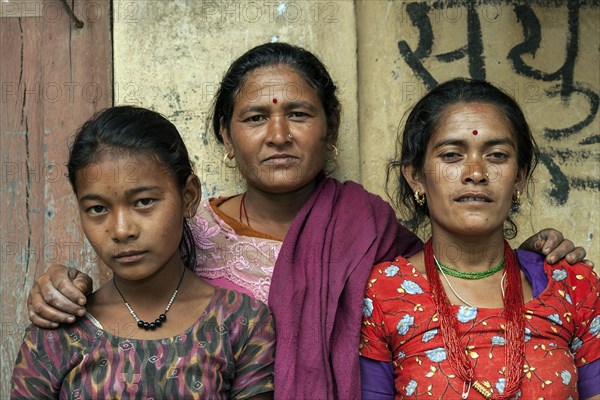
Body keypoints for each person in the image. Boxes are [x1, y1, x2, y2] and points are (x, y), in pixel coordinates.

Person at [27, 44, 589, 399]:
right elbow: (128, 287)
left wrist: (532, 259)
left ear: (330, 126)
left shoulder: (368, 228)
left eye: (299, 114)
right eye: (254, 118)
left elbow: (456, 265)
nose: (278, 136)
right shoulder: (183, 234)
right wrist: (67, 283)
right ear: (226, 135)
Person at [11, 106, 275, 399]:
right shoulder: (55, 334)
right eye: (97, 209)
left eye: (144, 201)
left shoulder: (240, 322)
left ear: (188, 197)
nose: (122, 230)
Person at [360, 78, 599, 400]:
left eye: (497, 155)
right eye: (451, 155)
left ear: (520, 178)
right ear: (415, 177)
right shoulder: (381, 294)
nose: (475, 172)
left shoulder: (570, 283)